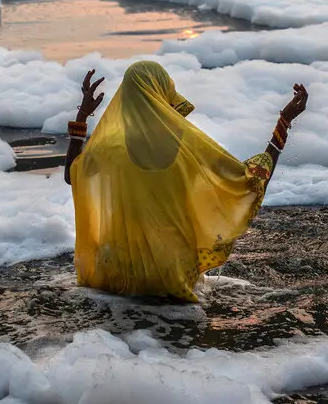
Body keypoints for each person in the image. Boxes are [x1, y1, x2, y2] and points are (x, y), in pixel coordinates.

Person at [64, 60, 308, 302]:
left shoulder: (109, 146)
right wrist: (283, 123)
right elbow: (250, 181)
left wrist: (83, 115)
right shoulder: (186, 145)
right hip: (171, 270)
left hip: (117, 268)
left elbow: (72, 176)